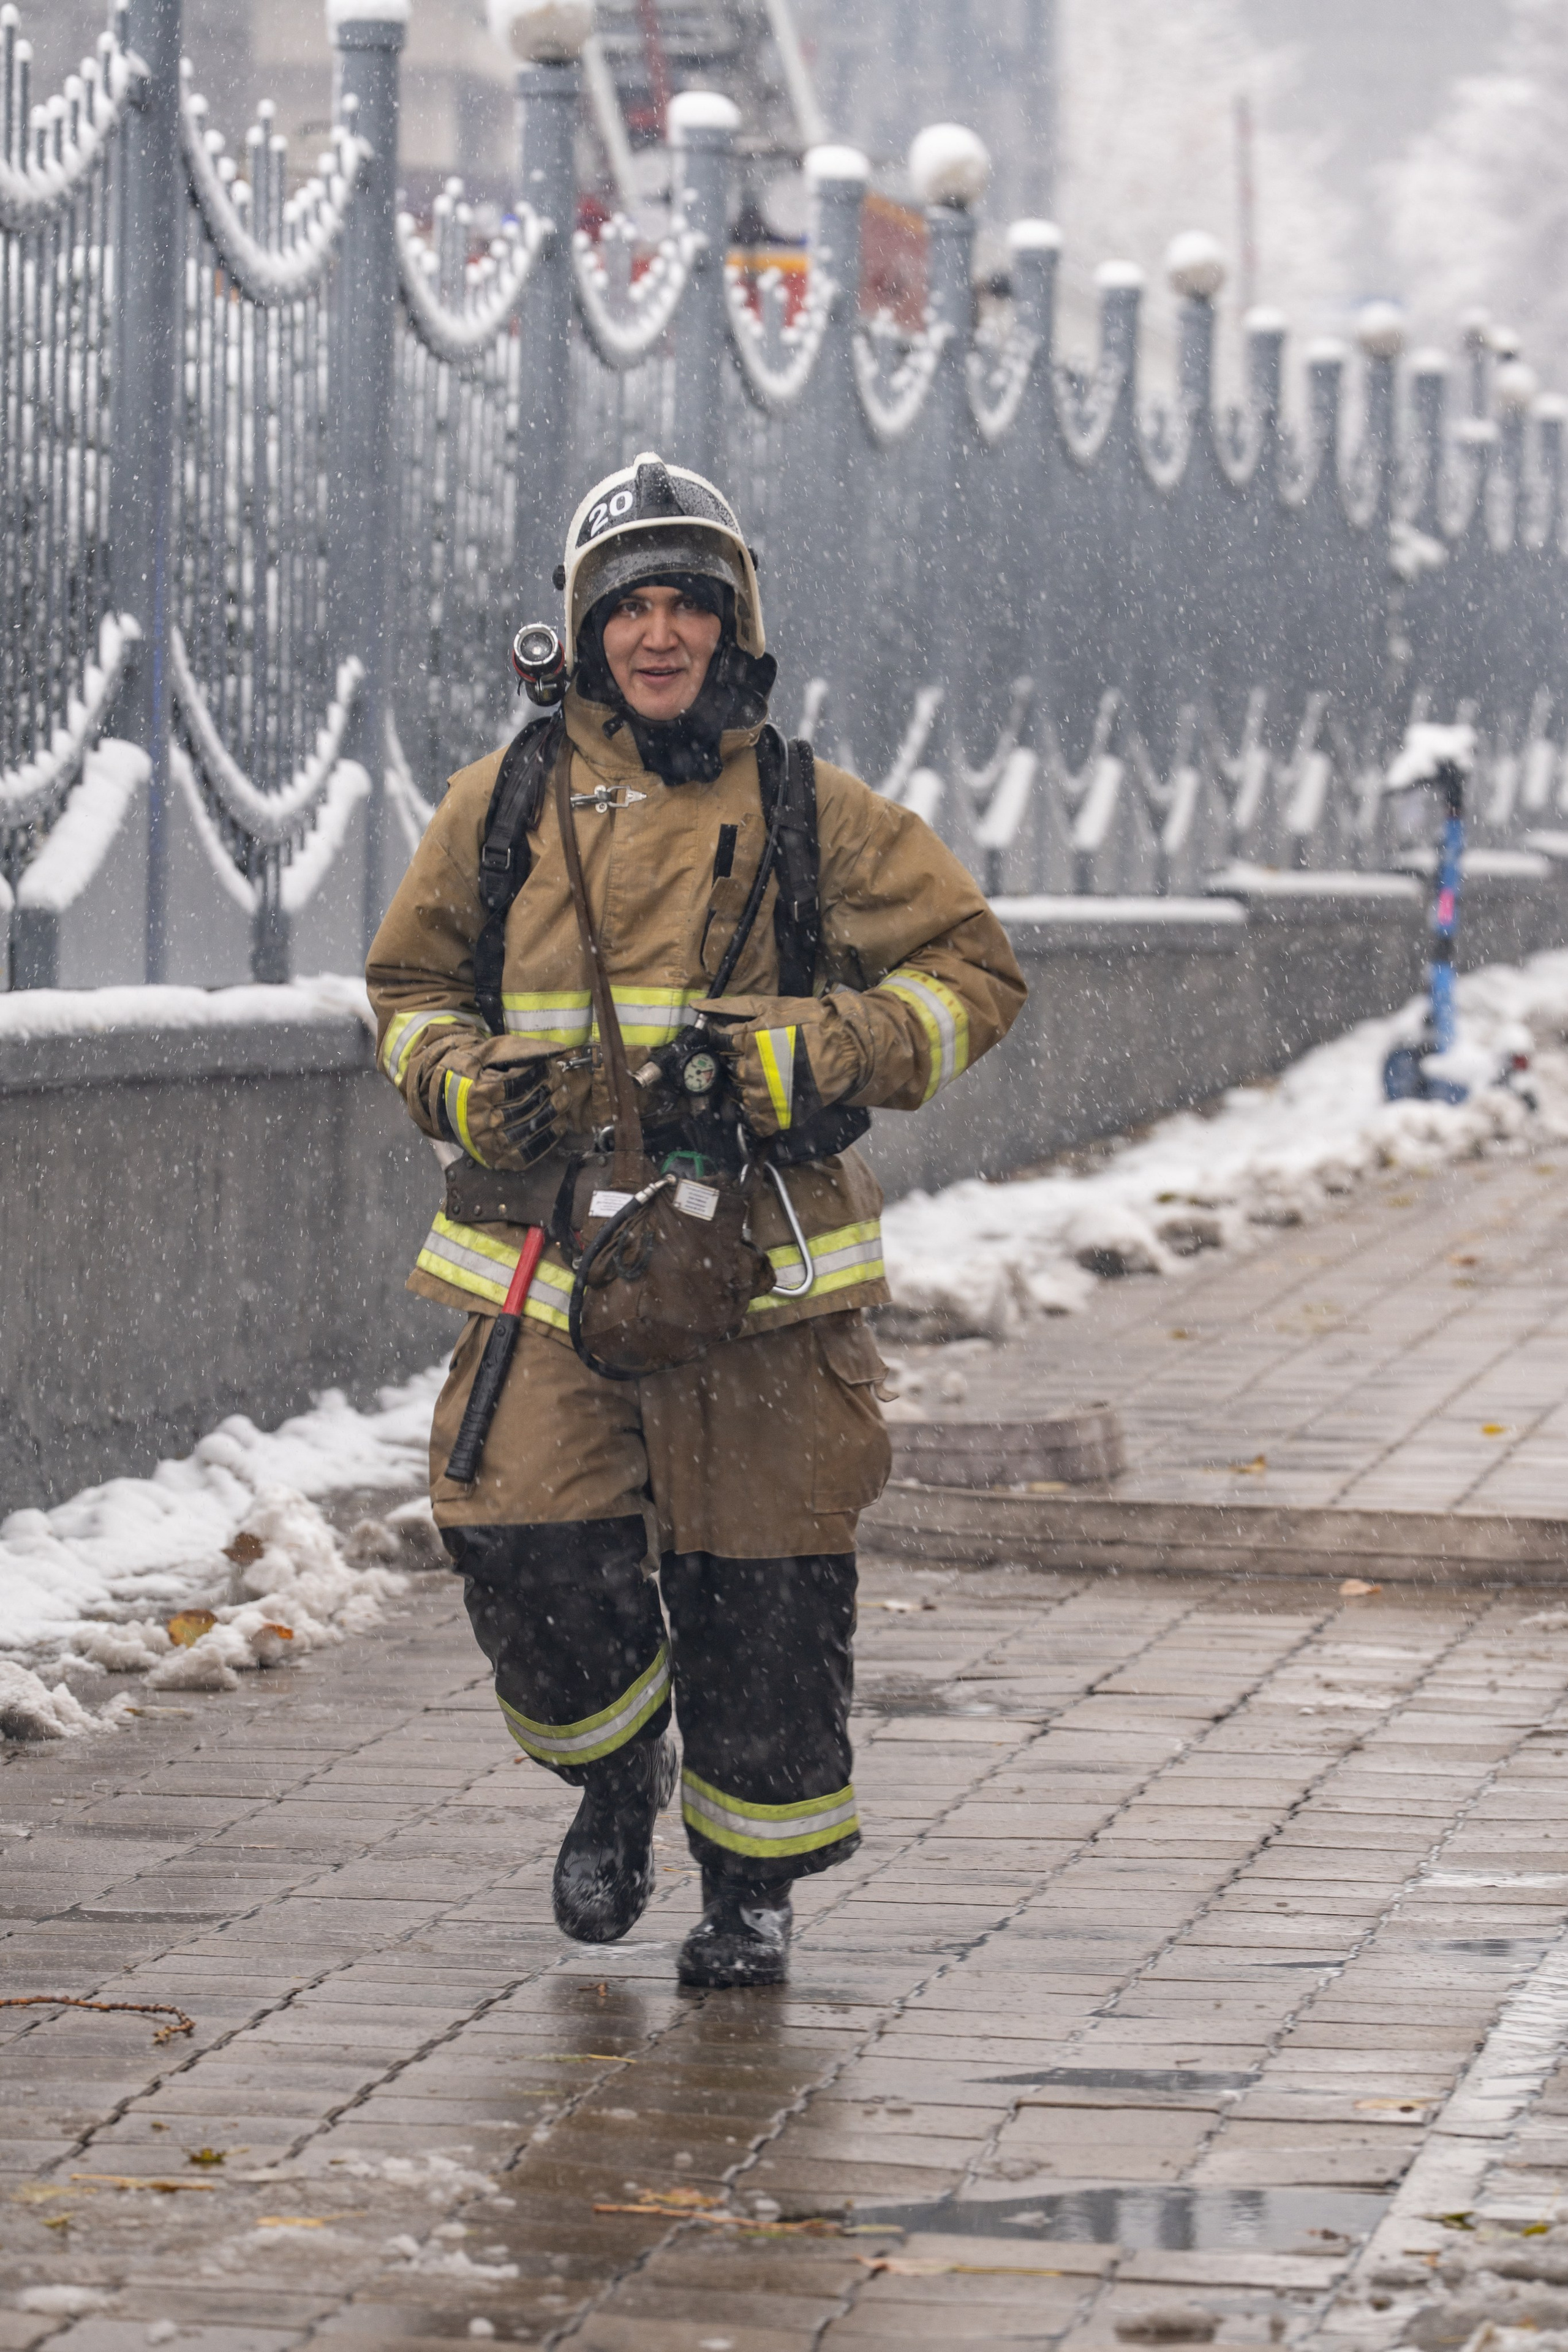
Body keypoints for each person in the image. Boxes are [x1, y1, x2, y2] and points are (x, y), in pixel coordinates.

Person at [366, 452, 1025, 1989]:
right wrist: (462, 1083)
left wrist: (807, 1055)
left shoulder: (812, 809)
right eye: (628, 607)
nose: (656, 634)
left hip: (762, 1270)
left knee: (760, 1587)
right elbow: (408, 992)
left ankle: (749, 1891)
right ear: (584, 629)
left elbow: (972, 973)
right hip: (546, 1263)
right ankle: (613, 1771)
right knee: (519, 1538)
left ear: (734, 626)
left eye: (686, 604)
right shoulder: (499, 804)